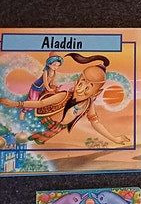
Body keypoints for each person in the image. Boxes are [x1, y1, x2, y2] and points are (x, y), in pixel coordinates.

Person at [0, 52, 130, 145]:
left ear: (97, 92)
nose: (80, 89)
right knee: (19, 136)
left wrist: (114, 139)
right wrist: (17, 103)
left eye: (87, 88)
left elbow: (96, 123)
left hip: (55, 128)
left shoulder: (88, 104)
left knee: (34, 141)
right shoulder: (64, 96)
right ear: (77, 81)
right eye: (81, 83)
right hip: (41, 120)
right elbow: (41, 103)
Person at [19, 51, 63, 120]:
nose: (56, 67)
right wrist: (49, 89)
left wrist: (56, 86)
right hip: (37, 88)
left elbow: (52, 81)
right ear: (49, 64)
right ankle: (23, 112)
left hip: (43, 89)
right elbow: (45, 82)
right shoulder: (46, 71)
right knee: (33, 101)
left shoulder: (54, 71)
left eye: (58, 65)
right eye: (54, 65)